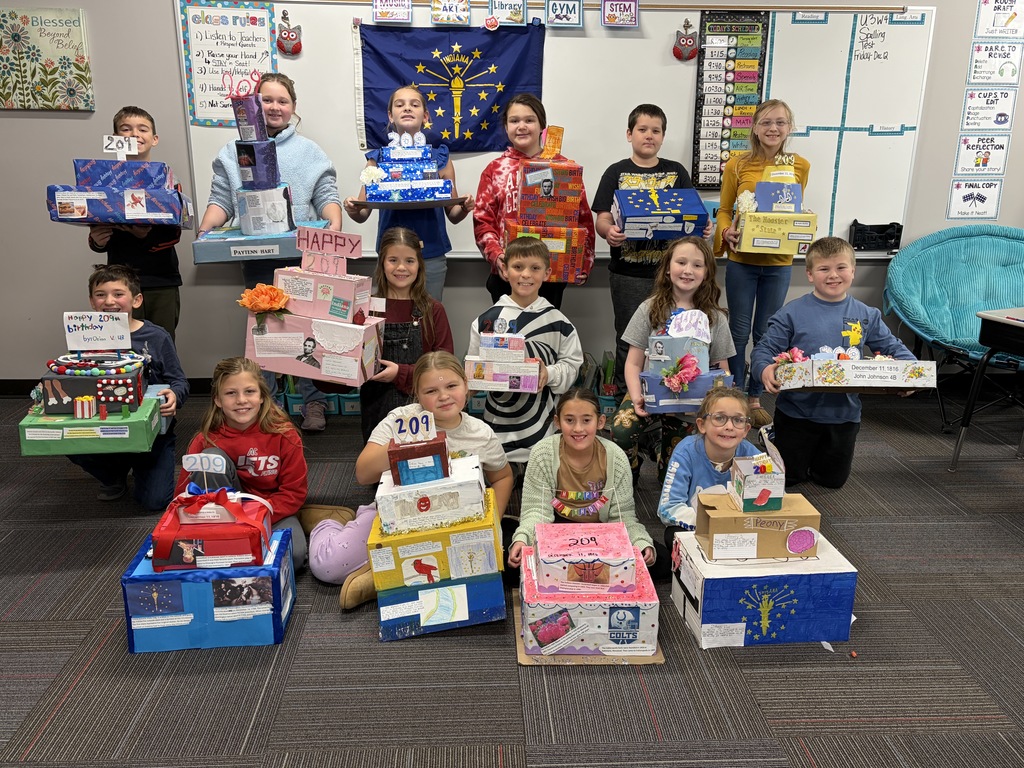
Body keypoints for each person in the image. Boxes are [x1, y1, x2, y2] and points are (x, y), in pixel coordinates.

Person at [196, 72, 342, 433]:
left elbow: (326, 196)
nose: (274, 107)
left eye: (283, 101)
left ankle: (314, 402)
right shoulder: (232, 153)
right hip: (258, 261)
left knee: (308, 331)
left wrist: (333, 227)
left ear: (293, 108)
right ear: (253, 106)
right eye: (266, 99)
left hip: (303, 259)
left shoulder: (309, 151)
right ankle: (270, 407)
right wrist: (205, 230)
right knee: (267, 334)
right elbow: (221, 201)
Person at [313, 351, 514, 609]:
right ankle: (328, 523)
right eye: (431, 391)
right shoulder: (402, 419)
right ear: (417, 395)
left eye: (451, 386)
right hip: (397, 515)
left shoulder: (480, 433)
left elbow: (503, 476)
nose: (443, 396)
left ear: (466, 385)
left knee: (475, 569)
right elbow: (363, 474)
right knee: (328, 567)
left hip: (454, 519)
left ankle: (375, 578)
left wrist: (492, 522)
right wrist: (408, 443)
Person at [750, 237, 916, 489]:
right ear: (809, 274)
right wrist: (764, 369)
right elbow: (765, 348)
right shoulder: (791, 313)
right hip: (796, 413)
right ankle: (774, 435)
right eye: (823, 269)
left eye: (840, 267)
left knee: (831, 481)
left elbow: (893, 347)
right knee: (788, 479)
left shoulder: (866, 315)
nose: (833, 275)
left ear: (853, 271)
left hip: (844, 415)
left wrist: (911, 374)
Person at [593, 103, 712, 396]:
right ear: (629, 134)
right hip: (628, 273)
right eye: (642, 129)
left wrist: (705, 228)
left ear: (662, 136)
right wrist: (609, 231)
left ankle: (674, 394)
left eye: (655, 130)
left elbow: (695, 214)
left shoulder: (676, 172)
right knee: (629, 338)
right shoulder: (616, 172)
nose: (649, 135)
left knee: (677, 337)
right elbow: (602, 217)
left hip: (675, 277)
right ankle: (627, 398)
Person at [715, 99, 810, 429]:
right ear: (754, 127)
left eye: (781, 123)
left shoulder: (800, 166)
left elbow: (792, 214)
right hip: (742, 260)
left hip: (779, 261)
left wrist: (800, 230)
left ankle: (756, 396)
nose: (773, 128)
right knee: (738, 331)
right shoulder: (737, 165)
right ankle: (737, 395)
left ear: (789, 128)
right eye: (767, 122)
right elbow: (725, 209)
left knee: (767, 332)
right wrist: (725, 231)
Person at [610, 236, 734, 483]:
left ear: (707, 272)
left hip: (690, 403)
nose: (688, 270)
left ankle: (661, 455)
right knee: (622, 431)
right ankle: (631, 471)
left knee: (669, 474)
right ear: (667, 268)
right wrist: (636, 397)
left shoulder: (715, 318)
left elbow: (722, 369)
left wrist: (717, 410)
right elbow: (633, 363)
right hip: (649, 394)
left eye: (697, 265)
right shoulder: (649, 308)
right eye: (681, 262)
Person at [68, 265, 188, 509]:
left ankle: (138, 464)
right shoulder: (84, 337)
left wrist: (175, 394)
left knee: (153, 502)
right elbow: (77, 378)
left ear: (136, 300)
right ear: (92, 301)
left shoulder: (156, 336)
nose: (109, 301)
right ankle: (113, 474)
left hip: (152, 433)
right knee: (68, 439)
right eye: (101, 294)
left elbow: (179, 380)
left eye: (118, 294)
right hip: (104, 424)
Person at [321, 227, 454, 441]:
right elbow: (338, 377)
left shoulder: (433, 310)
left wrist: (400, 373)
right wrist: (320, 359)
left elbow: (446, 370)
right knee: (380, 466)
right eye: (393, 260)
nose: (401, 267)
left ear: (419, 265)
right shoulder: (364, 309)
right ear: (382, 263)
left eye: (409, 261)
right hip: (377, 412)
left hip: (425, 411)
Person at [174, 356, 309, 567]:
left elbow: (294, 494)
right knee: (210, 458)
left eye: (249, 391)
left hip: (270, 512)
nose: (241, 400)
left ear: (263, 396)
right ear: (217, 400)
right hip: (222, 516)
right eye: (230, 393)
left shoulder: (284, 434)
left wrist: (254, 519)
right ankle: (226, 543)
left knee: (295, 556)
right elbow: (184, 494)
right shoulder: (206, 439)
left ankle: (235, 548)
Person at [343, 85, 474, 301]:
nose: (407, 109)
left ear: (426, 115)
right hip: (391, 254)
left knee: (430, 316)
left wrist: (465, 207)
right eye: (400, 104)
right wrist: (351, 208)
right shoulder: (378, 158)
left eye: (415, 104)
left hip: (430, 252)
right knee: (391, 318)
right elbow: (362, 213)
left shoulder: (440, 158)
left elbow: (453, 214)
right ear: (390, 115)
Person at [507, 388, 655, 573]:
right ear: (557, 422)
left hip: (601, 533)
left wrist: (640, 542)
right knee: (514, 563)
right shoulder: (543, 453)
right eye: (569, 420)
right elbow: (537, 510)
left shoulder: (615, 457)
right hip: (556, 528)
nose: (578, 428)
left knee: (655, 560)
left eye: (586, 420)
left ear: (600, 422)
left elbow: (622, 515)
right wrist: (523, 539)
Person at [473, 93, 596, 309]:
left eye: (529, 120)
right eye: (514, 121)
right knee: (508, 340)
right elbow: (483, 222)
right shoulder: (495, 170)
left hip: (550, 274)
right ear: (506, 127)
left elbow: (582, 218)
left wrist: (583, 262)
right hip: (506, 274)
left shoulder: (563, 169)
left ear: (542, 126)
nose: (522, 126)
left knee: (544, 339)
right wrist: (497, 257)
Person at [467, 237, 584, 463]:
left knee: (537, 487)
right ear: (504, 269)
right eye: (518, 267)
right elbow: (474, 370)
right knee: (500, 484)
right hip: (496, 426)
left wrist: (548, 374)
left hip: (542, 427)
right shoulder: (485, 321)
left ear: (547, 273)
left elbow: (572, 366)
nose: (526, 275)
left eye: (535, 268)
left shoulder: (560, 323)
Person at [87, 106, 182, 341]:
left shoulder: (168, 180)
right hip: (118, 281)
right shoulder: (102, 182)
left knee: (162, 341)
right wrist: (96, 242)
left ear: (154, 138)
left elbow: (175, 231)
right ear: (115, 138)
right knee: (120, 341)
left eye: (143, 129)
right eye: (125, 129)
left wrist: (144, 237)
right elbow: (95, 224)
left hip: (161, 278)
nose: (134, 134)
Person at [655, 387, 760, 571]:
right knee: (672, 535)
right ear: (702, 425)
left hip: (737, 528)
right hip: (698, 527)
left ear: (746, 430)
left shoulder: (751, 455)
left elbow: (775, 494)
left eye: (738, 420)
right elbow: (668, 509)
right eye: (719, 418)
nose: (729, 426)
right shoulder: (686, 452)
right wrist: (713, 522)